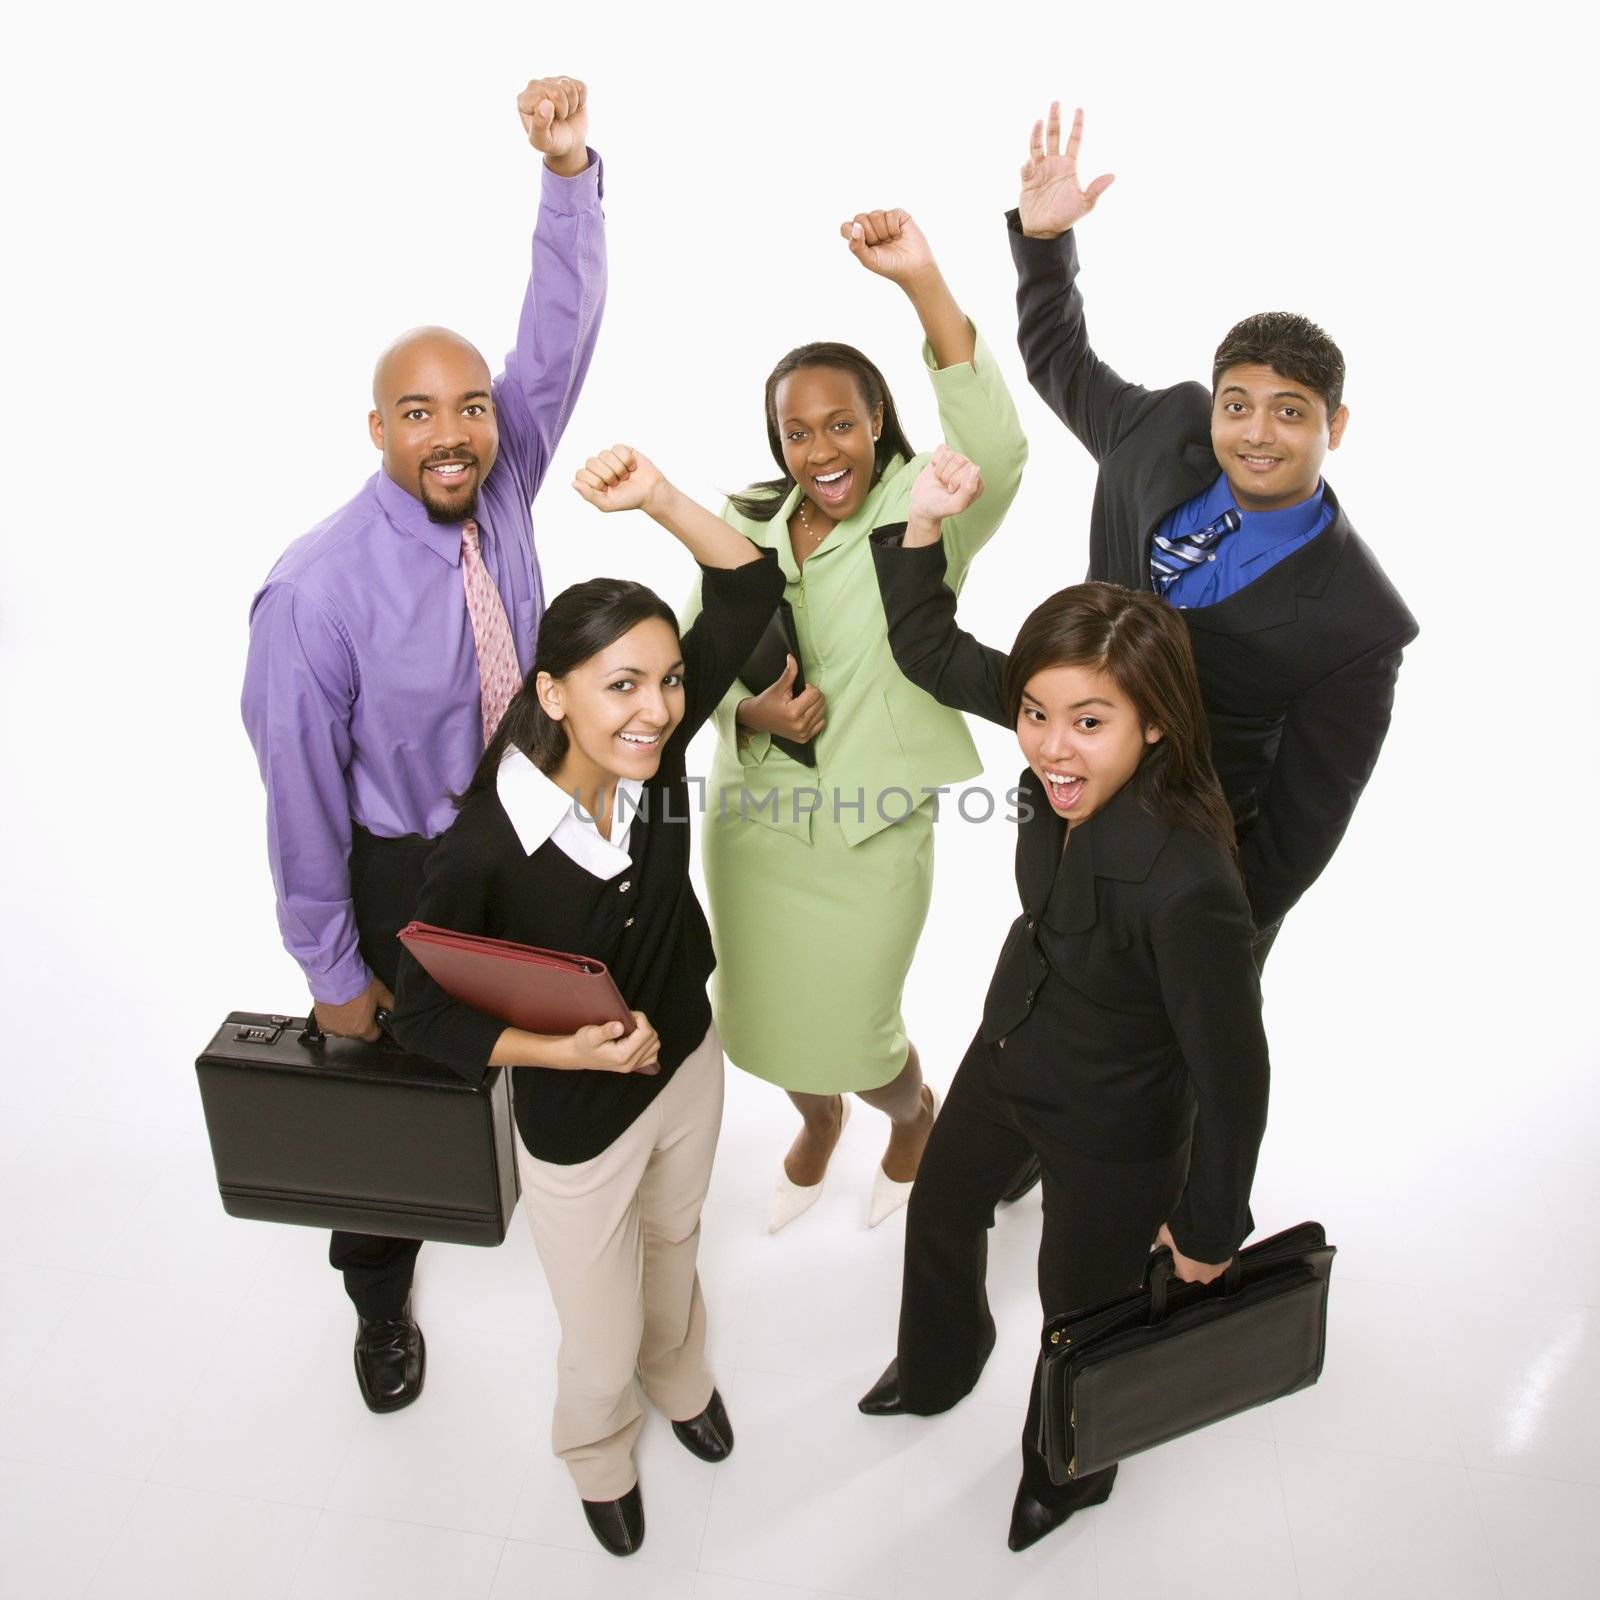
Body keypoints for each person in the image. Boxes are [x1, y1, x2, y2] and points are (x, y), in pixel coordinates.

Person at [239, 76, 605, 1413]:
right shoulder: (316, 591)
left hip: (530, 825)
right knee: (389, 1091)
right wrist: (331, 969)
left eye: (470, 407)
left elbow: (557, 342)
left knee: (571, 1025)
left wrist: (568, 176)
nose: (455, 433)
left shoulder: (501, 476)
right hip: (406, 872)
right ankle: (379, 1294)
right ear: (377, 428)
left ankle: (589, 1245)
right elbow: (298, 803)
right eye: (420, 413)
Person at [995, 103, 1417, 1203]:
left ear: (1334, 426)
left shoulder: (1359, 621)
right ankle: (1021, 1137)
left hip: (1196, 852)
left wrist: (1217, 906)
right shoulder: (1163, 431)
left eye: (1290, 412)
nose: (1256, 432)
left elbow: (1311, 816)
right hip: (1069, 788)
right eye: (1240, 404)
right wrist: (1045, 243)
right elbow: (1055, 358)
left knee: (1172, 1048)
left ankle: (1162, 1201)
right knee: (1044, 976)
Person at [857, 447, 1270, 1553]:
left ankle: (1070, 1467)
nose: (1048, 745)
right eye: (1036, 713)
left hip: (1116, 1122)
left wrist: (1208, 1224)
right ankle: (939, 1365)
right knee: (942, 1209)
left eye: (1086, 722)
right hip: (1010, 1053)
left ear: (1154, 726)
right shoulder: (1058, 739)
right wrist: (922, 523)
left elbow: (1234, 1073)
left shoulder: (1189, 884)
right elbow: (930, 648)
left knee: (1078, 1310)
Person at [389, 446, 783, 1557]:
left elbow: (749, 587)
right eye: (622, 684)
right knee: (596, 1332)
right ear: (552, 693)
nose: (657, 709)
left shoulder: (648, 751)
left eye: (667, 680)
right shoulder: (483, 843)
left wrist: (656, 498)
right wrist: (562, 1057)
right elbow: (423, 1012)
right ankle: (599, 1448)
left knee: (677, 1244)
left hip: (687, 1063)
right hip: (575, 1118)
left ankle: (683, 1375)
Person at [684, 209, 1028, 1232]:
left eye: (842, 423)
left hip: (872, 829)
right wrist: (750, 710)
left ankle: (906, 1109)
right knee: (759, 1015)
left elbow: (997, 451)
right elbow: (691, 662)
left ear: (877, 418)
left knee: (856, 1021)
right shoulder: (740, 525)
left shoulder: (927, 505)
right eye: (798, 431)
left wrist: (920, 280)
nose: (821, 450)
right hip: (757, 827)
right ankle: (817, 1118)